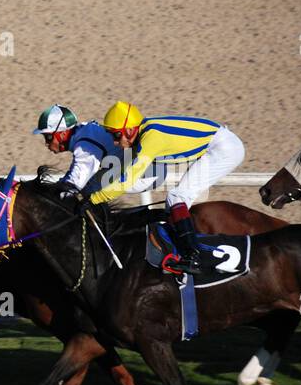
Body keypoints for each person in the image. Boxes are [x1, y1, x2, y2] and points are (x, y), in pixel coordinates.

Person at [90, 101, 245, 274]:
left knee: (177, 197)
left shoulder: (151, 138)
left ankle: (193, 256)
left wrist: (95, 198)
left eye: (116, 135)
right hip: (220, 144)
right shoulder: (144, 132)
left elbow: (128, 179)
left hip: (223, 149)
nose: (115, 142)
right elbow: (129, 178)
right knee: (174, 202)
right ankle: (180, 251)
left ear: (130, 129)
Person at [31, 104, 121, 196]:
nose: (46, 143)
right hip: (123, 165)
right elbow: (72, 177)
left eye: (48, 137)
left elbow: (74, 184)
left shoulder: (84, 146)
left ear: (63, 133)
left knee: (87, 193)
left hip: (131, 169)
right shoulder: (82, 133)